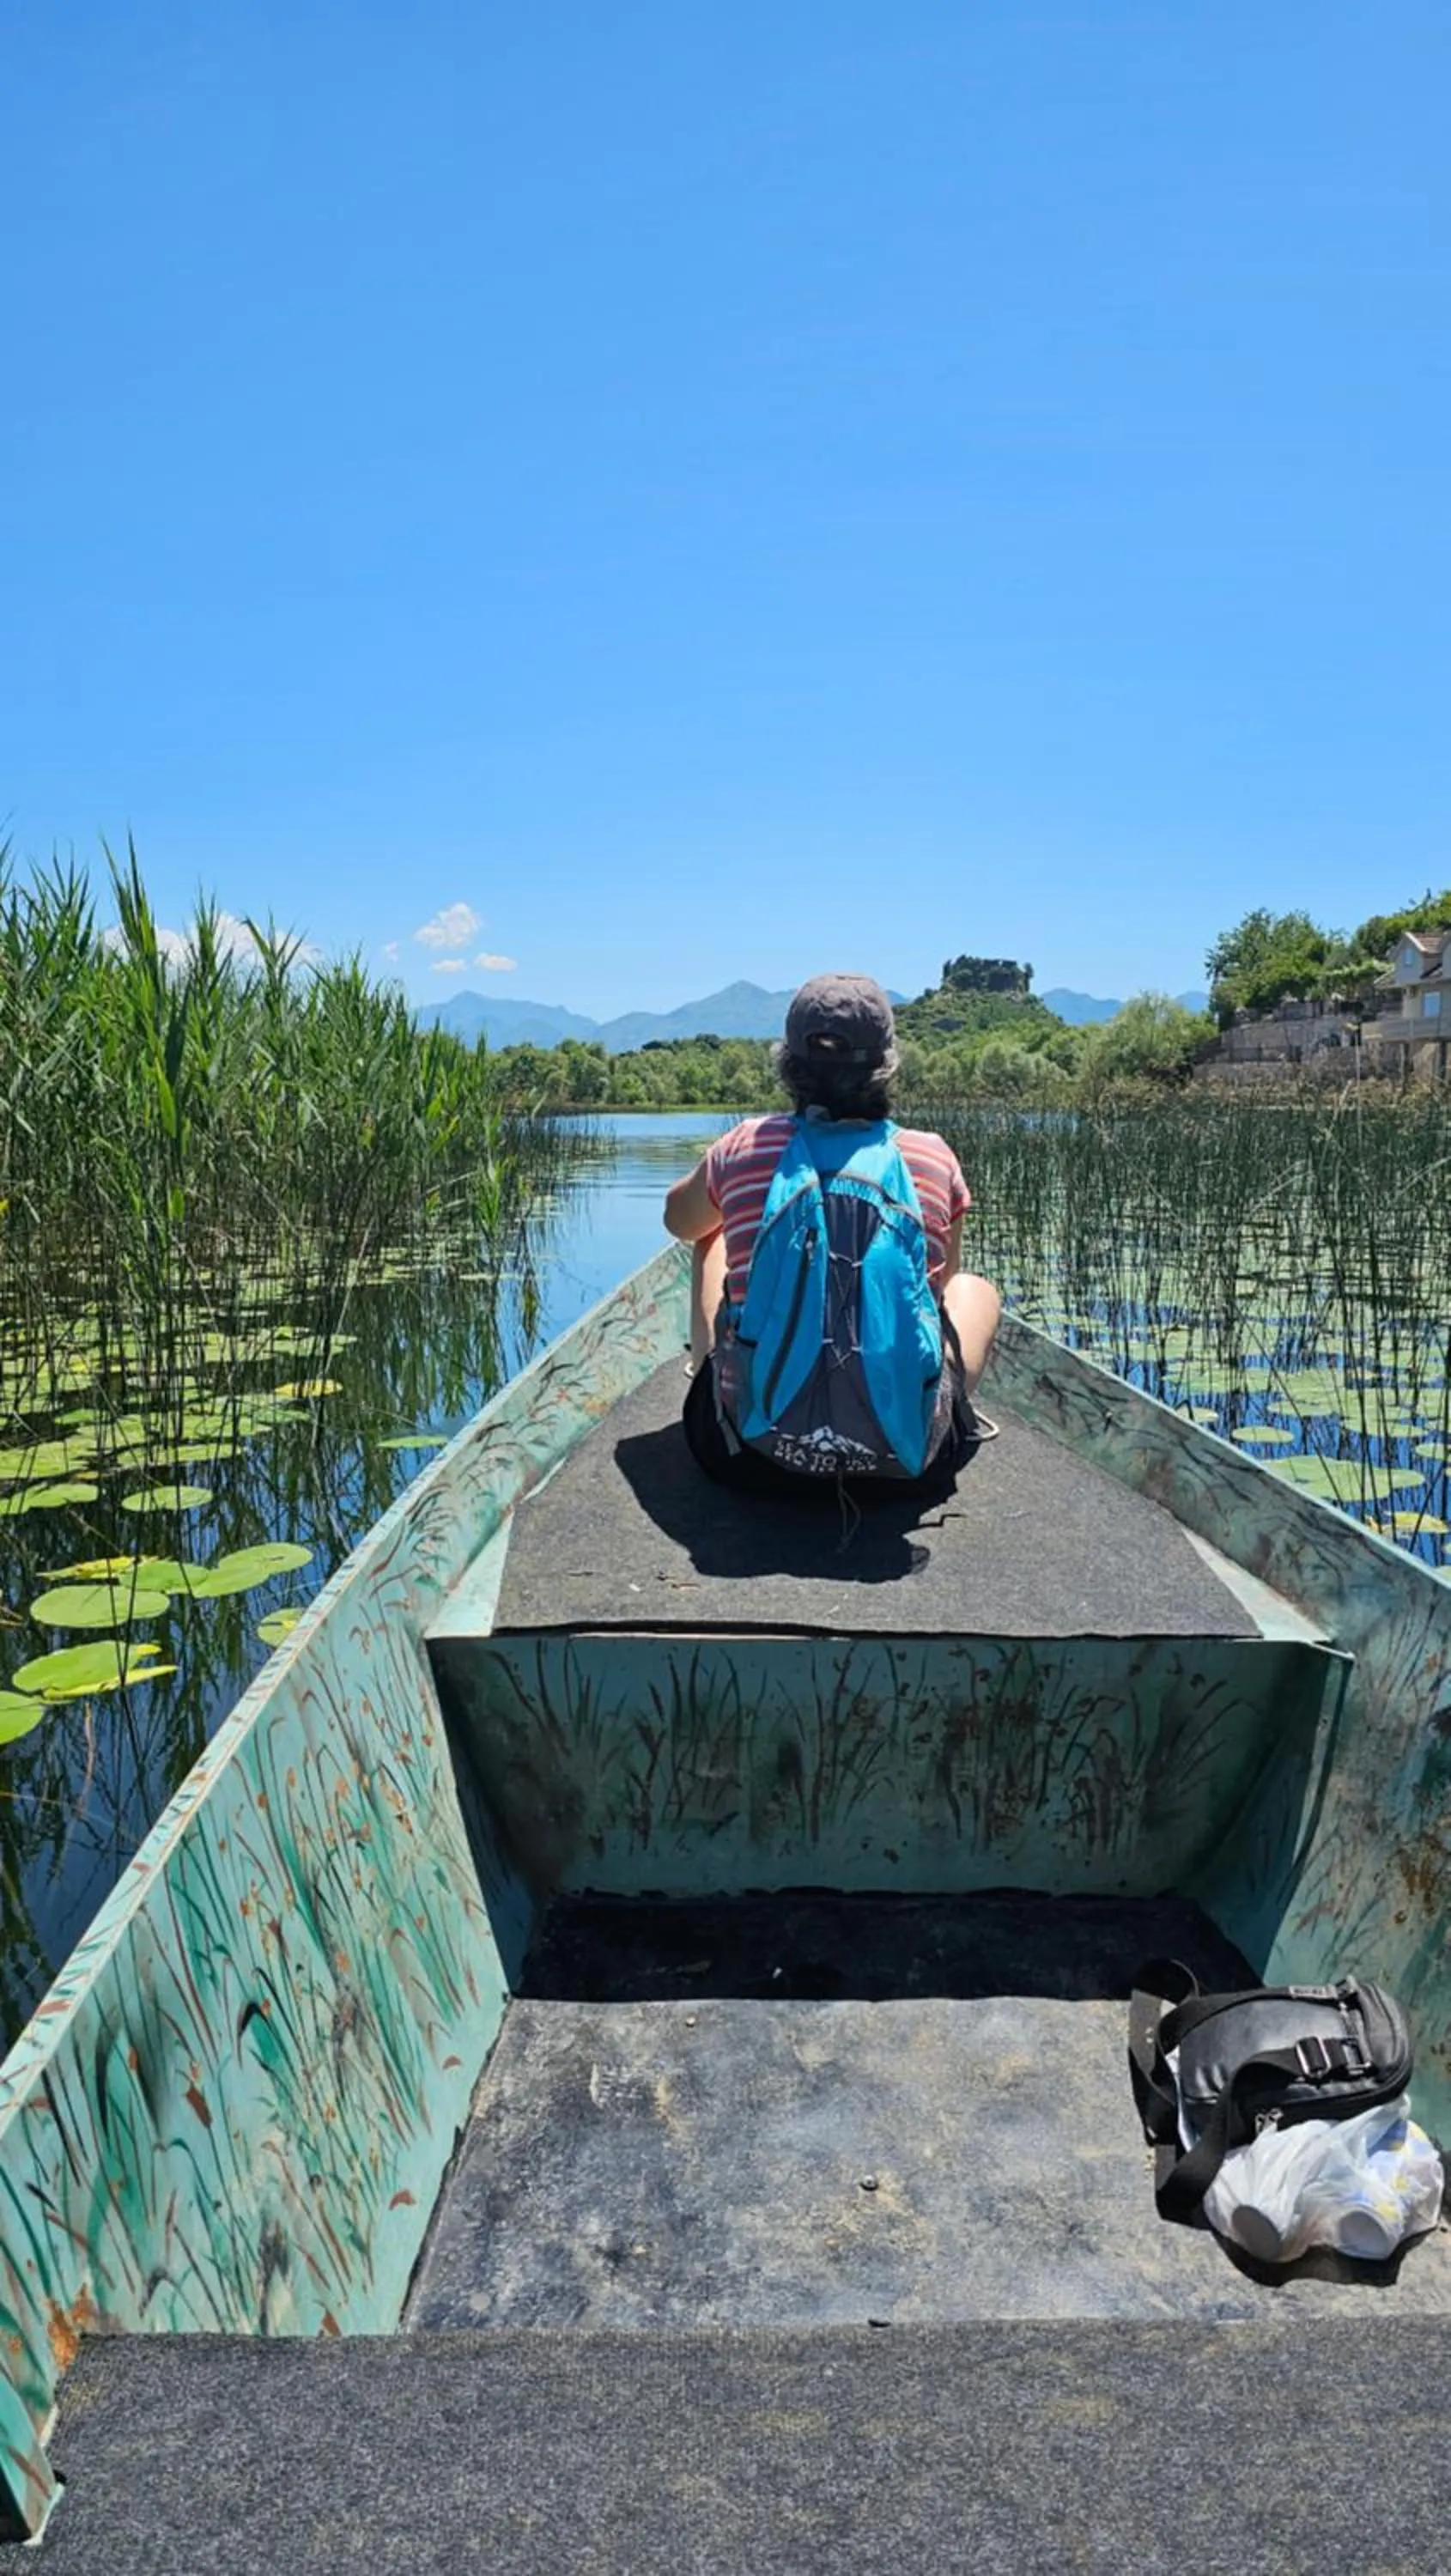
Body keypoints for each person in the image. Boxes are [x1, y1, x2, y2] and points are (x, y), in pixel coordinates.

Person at [664, 971, 1000, 1497]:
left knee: (712, 1236)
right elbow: (933, 1297)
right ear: (885, 1067)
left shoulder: (744, 1145)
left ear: (790, 1066)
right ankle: (915, 1413)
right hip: (905, 1464)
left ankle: (708, 1375)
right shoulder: (933, 1156)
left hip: (748, 1458)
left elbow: (676, 1222)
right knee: (973, 1290)